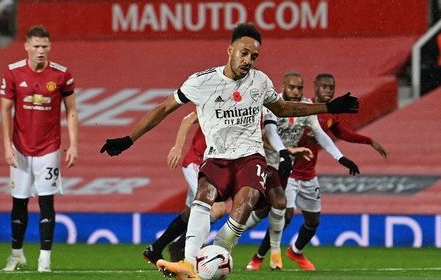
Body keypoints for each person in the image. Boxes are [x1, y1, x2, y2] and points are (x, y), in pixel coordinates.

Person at [100, 23, 359, 280]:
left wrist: (328, 107)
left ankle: (218, 255)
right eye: (243, 53)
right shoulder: (202, 81)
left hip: (250, 156)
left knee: (245, 202)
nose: (248, 60)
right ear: (230, 50)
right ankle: (190, 265)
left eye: (254, 56)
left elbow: (283, 109)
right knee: (204, 196)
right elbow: (164, 109)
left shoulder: (260, 81)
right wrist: (128, 139)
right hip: (216, 156)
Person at [246, 72, 387, 272]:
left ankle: (294, 251)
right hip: (285, 168)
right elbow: (269, 133)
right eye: (324, 86)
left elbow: (328, 133)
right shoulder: (284, 106)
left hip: (308, 174)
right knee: (280, 214)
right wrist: (287, 151)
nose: (328, 90)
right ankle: (258, 257)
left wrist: (343, 156)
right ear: (315, 87)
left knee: (312, 221)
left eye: (331, 87)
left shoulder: (318, 113)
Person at [0, 25, 78, 273]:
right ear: (26, 47)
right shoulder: (13, 73)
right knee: (19, 202)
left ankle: (44, 259)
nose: (40, 51)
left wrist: (74, 144)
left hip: (49, 149)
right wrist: (7, 146)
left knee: (46, 202)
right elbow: (5, 110)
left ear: (50, 46)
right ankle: (16, 255)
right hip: (20, 148)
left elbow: (72, 110)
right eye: (36, 46)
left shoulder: (61, 75)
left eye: (44, 46)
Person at [143, 111, 226, 264]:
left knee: (189, 214)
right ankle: (180, 246)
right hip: (197, 164)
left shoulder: (240, 107)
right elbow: (187, 120)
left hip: (211, 167)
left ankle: (155, 249)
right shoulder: (214, 100)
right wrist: (177, 147)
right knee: (217, 209)